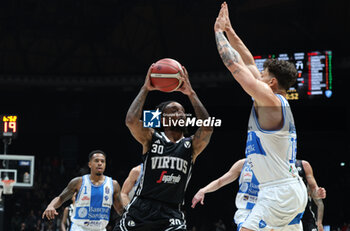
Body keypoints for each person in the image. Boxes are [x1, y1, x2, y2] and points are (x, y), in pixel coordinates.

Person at [214, 2, 309, 230]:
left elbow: (234, 64)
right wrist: (230, 30)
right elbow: (247, 61)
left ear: (271, 82)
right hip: (286, 189)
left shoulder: (270, 101)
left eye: (262, 74)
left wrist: (218, 32)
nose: (258, 75)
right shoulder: (272, 101)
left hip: (278, 192)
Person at [114, 64, 213, 231]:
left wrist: (191, 93)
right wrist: (146, 88)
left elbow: (208, 128)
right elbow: (130, 120)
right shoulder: (152, 138)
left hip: (171, 212)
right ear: (163, 120)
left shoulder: (191, 145)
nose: (180, 114)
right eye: (174, 111)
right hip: (142, 208)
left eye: (182, 111)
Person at [42, 150, 123, 231]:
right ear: (90, 164)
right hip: (79, 228)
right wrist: (51, 206)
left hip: (101, 229)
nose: (100, 163)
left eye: (102, 161)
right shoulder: (78, 182)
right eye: (96, 161)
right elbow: (61, 198)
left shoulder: (113, 184)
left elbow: (120, 209)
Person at [296, 159, 326, 231]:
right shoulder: (272, 167)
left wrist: (318, 193)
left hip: (305, 215)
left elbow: (315, 193)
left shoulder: (303, 165)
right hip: (283, 215)